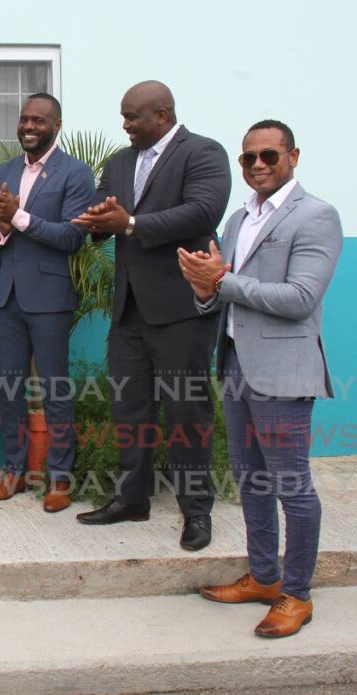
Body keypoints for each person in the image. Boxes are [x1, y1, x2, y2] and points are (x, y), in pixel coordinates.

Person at [179, 120, 341, 637]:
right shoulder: (236, 218)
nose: (257, 166)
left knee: (292, 486)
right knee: (251, 481)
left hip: (283, 372)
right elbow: (220, 296)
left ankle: (296, 594)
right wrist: (203, 286)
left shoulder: (316, 216)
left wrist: (223, 280)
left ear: (294, 155)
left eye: (269, 156)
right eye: (248, 158)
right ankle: (264, 577)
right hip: (235, 365)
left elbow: (299, 299)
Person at [72, 80, 231, 551]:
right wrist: (97, 219)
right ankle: (132, 500)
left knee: (187, 411)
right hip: (129, 310)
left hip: (182, 308)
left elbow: (203, 212)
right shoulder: (119, 162)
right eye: (123, 117)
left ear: (161, 114)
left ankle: (196, 512)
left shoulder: (203, 153)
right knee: (130, 409)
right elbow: (101, 222)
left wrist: (133, 223)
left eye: (132, 117)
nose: (124, 125)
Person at [0, 93, 94, 512]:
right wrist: (3, 227)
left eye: (38, 120)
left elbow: (72, 237)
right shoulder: (4, 170)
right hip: (6, 297)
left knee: (55, 391)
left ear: (56, 126)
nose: (28, 126)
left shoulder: (75, 174)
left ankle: (60, 479)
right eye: (24, 119)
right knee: (9, 389)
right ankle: (14, 472)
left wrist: (19, 217)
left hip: (49, 298)